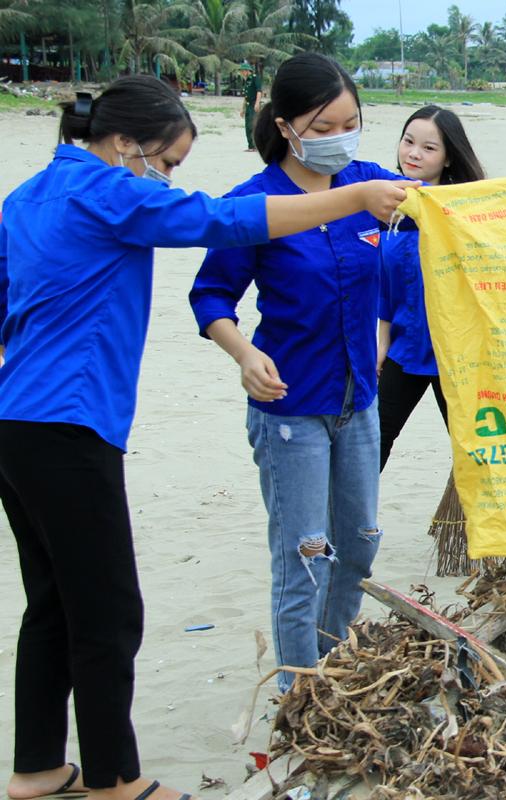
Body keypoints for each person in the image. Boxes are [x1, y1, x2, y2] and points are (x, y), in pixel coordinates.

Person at [0, 75, 407, 800]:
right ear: (125, 143)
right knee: (107, 613)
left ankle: (36, 768)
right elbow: (221, 223)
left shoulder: (31, 195)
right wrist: (349, 199)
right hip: (70, 422)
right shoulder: (107, 189)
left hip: (18, 422)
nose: (167, 178)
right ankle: (115, 781)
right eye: (169, 162)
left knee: (55, 603)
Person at [188, 53, 406, 692]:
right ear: (285, 127)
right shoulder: (253, 204)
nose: (342, 133)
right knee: (305, 555)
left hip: (358, 401)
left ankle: (335, 663)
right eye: (325, 123)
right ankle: (297, 689)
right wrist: (243, 354)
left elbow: (448, 216)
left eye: (352, 120)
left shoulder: (369, 185)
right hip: (290, 410)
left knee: (359, 544)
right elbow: (210, 297)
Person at [378, 105, 485, 469]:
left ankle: (482, 526)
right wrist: (380, 338)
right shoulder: (384, 204)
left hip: (458, 354)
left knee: (476, 452)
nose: (413, 153)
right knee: (372, 440)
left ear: (449, 157)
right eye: (408, 141)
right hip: (402, 347)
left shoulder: (468, 211)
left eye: (428, 147)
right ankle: (346, 523)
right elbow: (381, 286)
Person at [240, 62, 262, 152]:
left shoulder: (255, 78)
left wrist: (257, 103)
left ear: (247, 71)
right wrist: (242, 108)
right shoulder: (247, 81)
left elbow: (259, 91)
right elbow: (246, 97)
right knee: (247, 125)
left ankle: (255, 146)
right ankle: (250, 146)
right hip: (248, 105)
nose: (241, 73)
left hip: (254, 104)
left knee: (252, 125)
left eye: (242, 71)